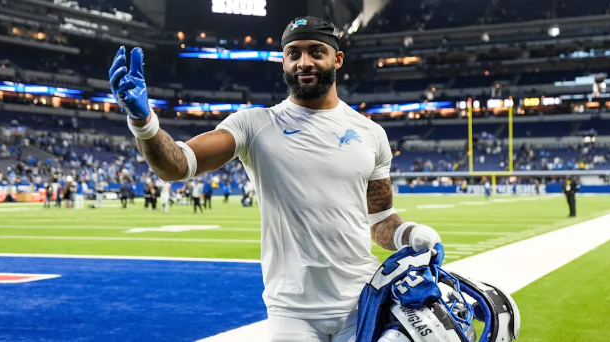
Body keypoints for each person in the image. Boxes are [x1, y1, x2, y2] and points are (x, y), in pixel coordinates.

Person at [109, 16, 441, 342]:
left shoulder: (371, 133)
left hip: (362, 302)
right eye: (293, 53)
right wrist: (143, 121)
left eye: (316, 51)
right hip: (291, 311)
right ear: (283, 62)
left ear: (337, 58)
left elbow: (380, 220)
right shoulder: (254, 125)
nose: (304, 62)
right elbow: (177, 165)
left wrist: (412, 234)